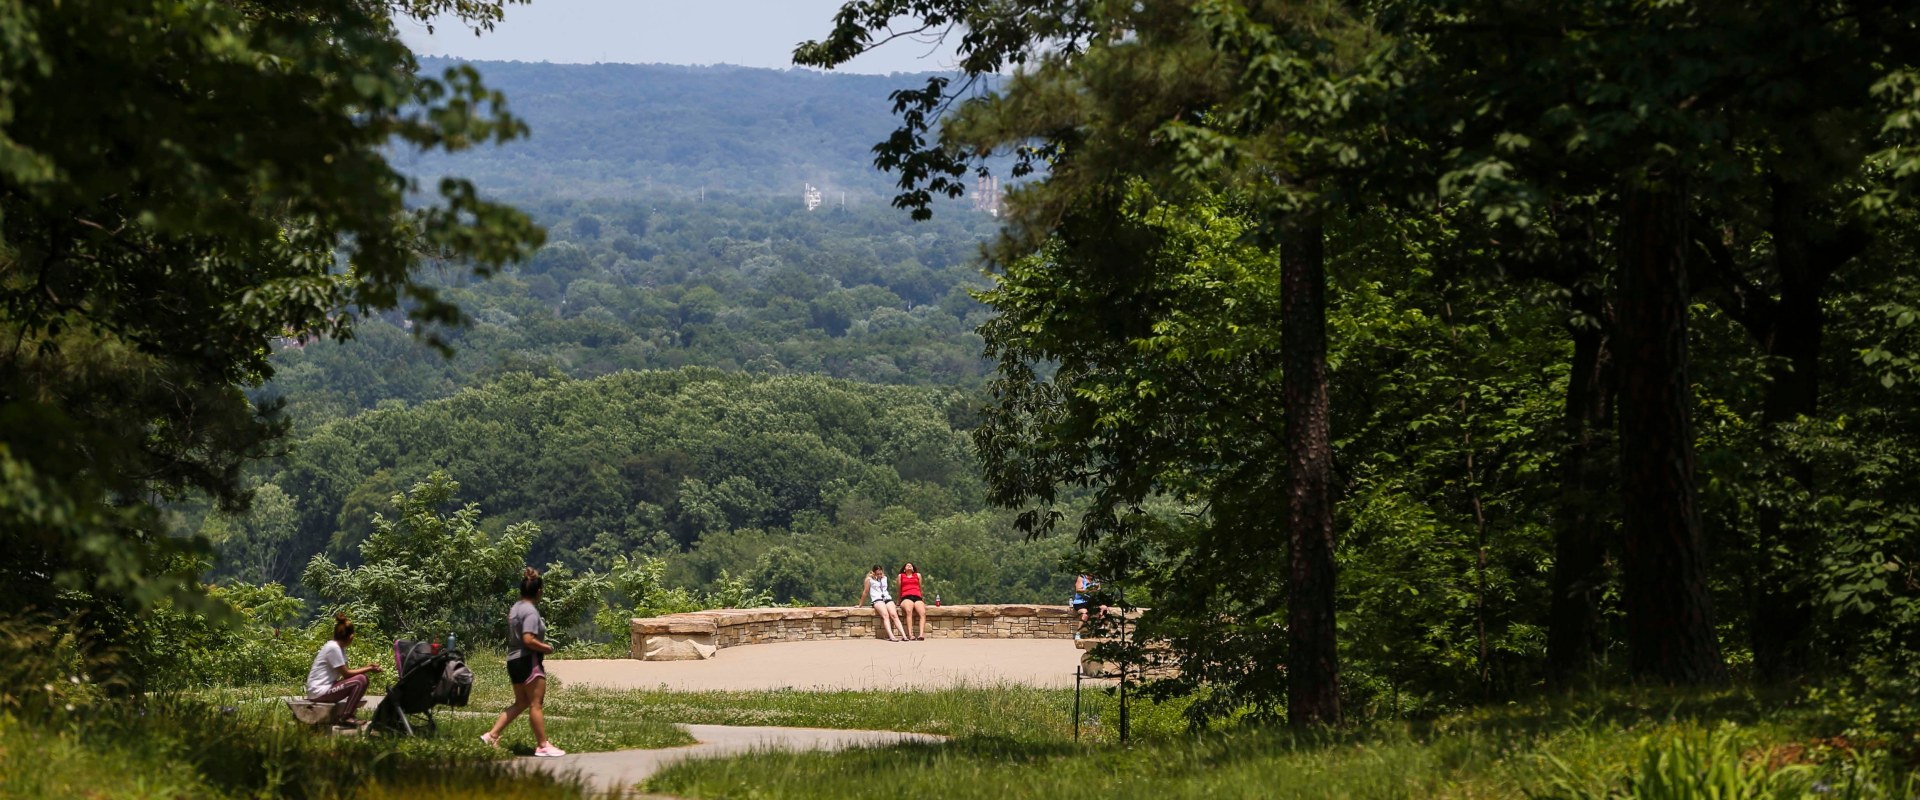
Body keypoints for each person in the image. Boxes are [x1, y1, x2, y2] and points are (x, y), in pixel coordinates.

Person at [481, 567, 566, 757]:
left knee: (521, 702)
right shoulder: (530, 612)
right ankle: (542, 745)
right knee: (536, 703)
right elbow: (528, 639)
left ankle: (491, 735)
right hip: (529, 660)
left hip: (513, 660)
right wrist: (546, 648)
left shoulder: (516, 608)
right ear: (539, 591)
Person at [305, 613, 381, 723]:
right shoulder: (333, 648)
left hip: (324, 689)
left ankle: (347, 715)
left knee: (360, 679)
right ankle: (347, 716)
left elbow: (347, 675)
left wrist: (368, 667)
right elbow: (347, 674)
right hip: (319, 691)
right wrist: (368, 668)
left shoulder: (339, 648)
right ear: (351, 637)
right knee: (361, 680)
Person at [858, 564, 908, 642]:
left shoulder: (885, 578)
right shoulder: (869, 580)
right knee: (885, 615)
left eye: (880, 574)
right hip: (877, 599)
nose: (879, 575)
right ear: (874, 573)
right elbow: (865, 592)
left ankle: (904, 635)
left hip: (887, 598)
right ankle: (891, 636)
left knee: (894, 615)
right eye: (877, 574)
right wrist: (860, 605)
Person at [897, 562, 928, 641]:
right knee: (909, 610)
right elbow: (899, 589)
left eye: (910, 565)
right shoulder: (901, 576)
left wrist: (922, 599)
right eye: (907, 565)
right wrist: (898, 601)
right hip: (906, 597)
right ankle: (910, 634)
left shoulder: (918, 575)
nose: (909, 566)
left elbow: (920, 588)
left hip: (917, 596)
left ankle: (921, 634)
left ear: (913, 568)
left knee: (922, 613)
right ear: (904, 569)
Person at [1071, 574, 1108, 639]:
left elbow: (1098, 590)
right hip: (1080, 602)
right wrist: (1089, 590)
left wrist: (1097, 591)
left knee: (1104, 608)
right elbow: (1078, 590)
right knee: (1085, 614)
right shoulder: (1081, 577)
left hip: (1091, 602)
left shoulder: (1096, 579)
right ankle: (1078, 633)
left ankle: (1102, 630)